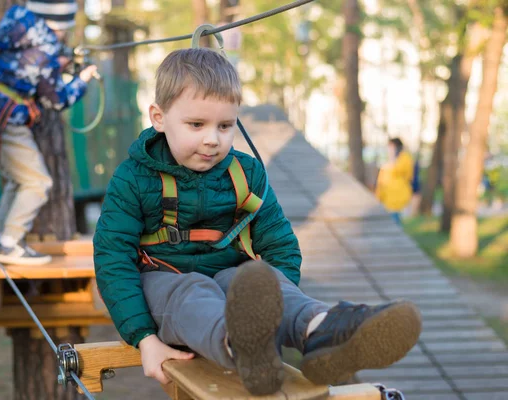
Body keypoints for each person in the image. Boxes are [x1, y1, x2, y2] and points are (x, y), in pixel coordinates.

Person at [93, 48, 422, 395]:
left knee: (257, 279)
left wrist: (280, 302)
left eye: (225, 126)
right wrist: (144, 338)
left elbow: (279, 244)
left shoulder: (245, 173)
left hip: (230, 281)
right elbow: (113, 257)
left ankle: (322, 331)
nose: (212, 139)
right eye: (196, 125)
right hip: (162, 286)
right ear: (159, 118)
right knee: (191, 292)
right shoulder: (134, 178)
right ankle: (242, 346)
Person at [0, 0, 97, 265]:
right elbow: (58, 101)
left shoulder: (13, 30)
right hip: (5, 126)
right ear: (57, 24)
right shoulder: (45, 49)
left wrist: (55, 65)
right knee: (38, 183)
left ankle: (0, 238)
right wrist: (81, 81)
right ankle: (9, 243)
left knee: (19, 180)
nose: (63, 35)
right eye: (63, 29)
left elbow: (23, 68)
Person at [376, 138, 414, 225]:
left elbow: (404, 173)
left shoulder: (404, 158)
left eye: (391, 146)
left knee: (395, 222)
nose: (389, 149)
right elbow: (381, 180)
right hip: (387, 197)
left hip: (398, 196)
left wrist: (392, 161)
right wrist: (379, 195)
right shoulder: (388, 160)